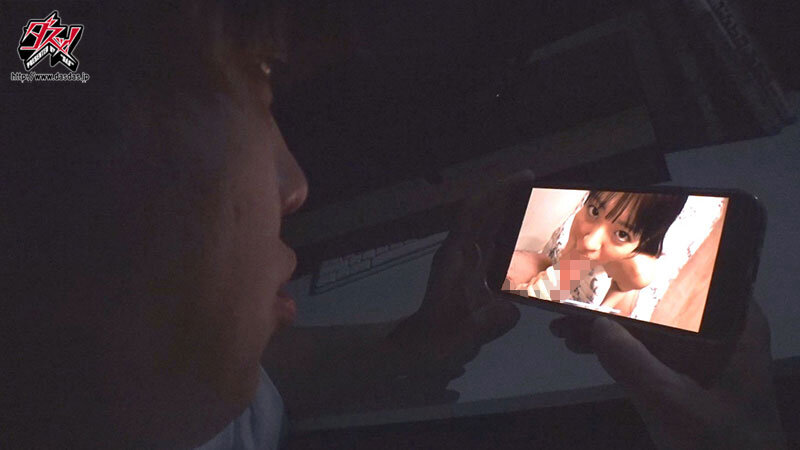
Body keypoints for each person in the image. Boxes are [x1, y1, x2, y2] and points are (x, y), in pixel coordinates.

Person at [2, 1, 785, 448]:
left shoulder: (132, 385)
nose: (296, 187)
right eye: (261, 79)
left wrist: (420, 343)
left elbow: (263, 378)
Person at [506, 191, 687, 316]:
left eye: (622, 234)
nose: (588, 242)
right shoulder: (581, 223)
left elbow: (620, 289)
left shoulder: (638, 272)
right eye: (594, 210)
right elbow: (562, 267)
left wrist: (603, 309)